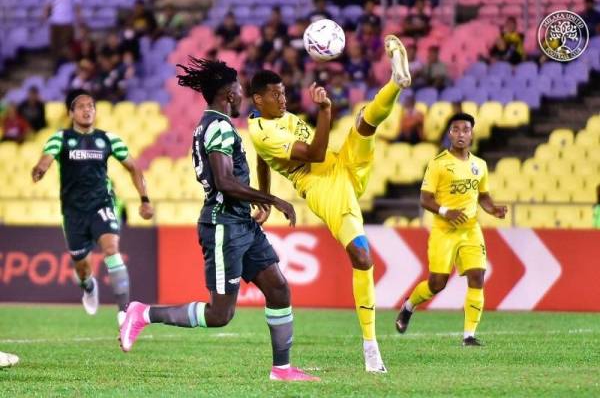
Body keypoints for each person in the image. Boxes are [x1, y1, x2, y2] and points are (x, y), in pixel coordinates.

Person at [117, 58, 318, 382]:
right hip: (224, 225)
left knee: (279, 289)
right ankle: (143, 313)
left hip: (242, 224)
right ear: (229, 94)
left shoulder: (212, 125)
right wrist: (273, 199)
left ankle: (282, 369)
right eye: (239, 90)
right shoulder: (219, 127)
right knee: (219, 315)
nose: (242, 96)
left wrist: (258, 204)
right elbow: (225, 181)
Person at [248, 35, 412, 373]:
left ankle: (396, 83)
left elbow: (263, 161)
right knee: (362, 257)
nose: (283, 99)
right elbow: (314, 154)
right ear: (257, 99)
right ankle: (371, 349)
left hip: (341, 164)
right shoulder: (262, 132)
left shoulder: (273, 125)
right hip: (321, 184)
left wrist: (263, 199)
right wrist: (324, 110)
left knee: (365, 122)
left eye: (283, 93)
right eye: (275, 95)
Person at [31, 89, 154, 325]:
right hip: (73, 211)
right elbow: (46, 158)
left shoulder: (108, 139)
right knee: (82, 268)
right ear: (71, 112)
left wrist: (144, 199)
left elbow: (134, 168)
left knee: (111, 249)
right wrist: (41, 168)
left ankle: (123, 312)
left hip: (102, 203)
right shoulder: (61, 138)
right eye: (81, 106)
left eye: (91, 106)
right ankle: (88, 287)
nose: (87, 110)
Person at [395, 113, 508, 346]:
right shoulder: (438, 164)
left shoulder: (480, 165)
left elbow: (483, 196)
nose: (461, 134)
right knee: (437, 283)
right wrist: (447, 211)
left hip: (470, 230)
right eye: (456, 130)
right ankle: (409, 306)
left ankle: (469, 336)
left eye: (465, 130)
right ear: (449, 134)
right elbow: (425, 199)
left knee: (477, 275)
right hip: (444, 230)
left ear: (472, 134)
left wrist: (493, 209)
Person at [44, 0, 82, 66]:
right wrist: (45, 16)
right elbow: (48, 5)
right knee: (55, 46)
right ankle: (56, 64)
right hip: (55, 22)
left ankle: (67, 63)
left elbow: (77, 7)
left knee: (66, 46)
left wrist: (79, 21)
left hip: (68, 22)